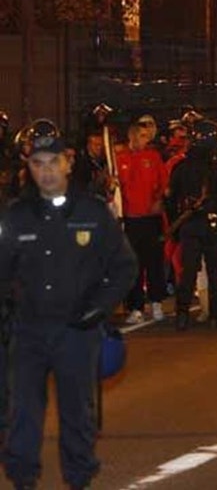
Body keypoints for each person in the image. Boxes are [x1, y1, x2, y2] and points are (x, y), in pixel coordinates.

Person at [0, 119, 137, 490]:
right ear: (28, 168)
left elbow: (125, 266)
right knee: (22, 413)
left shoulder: (92, 213)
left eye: (53, 161)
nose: (46, 171)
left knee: (78, 414)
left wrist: (100, 308)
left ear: (68, 162)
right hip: (28, 331)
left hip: (77, 332)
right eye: (37, 163)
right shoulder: (15, 216)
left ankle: (79, 479)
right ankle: (22, 480)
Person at [167, 119, 217, 331]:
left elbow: (170, 199)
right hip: (212, 223)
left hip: (189, 224)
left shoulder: (181, 167)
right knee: (215, 271)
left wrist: (176, 226)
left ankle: (182, 314)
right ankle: (215, 316)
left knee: (188, 272)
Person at [115, 119, 168, 324]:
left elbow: (164, 183)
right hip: (130, 219)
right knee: (134, 264)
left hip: (151, 219)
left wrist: (158, 200)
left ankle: (156, 303)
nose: (145, 140)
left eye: (146, 136)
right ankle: (136, 307)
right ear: (132, 136)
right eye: (142, 135)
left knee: (154, 262)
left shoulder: (153, 157)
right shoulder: (120, 159)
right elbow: (114, 187)